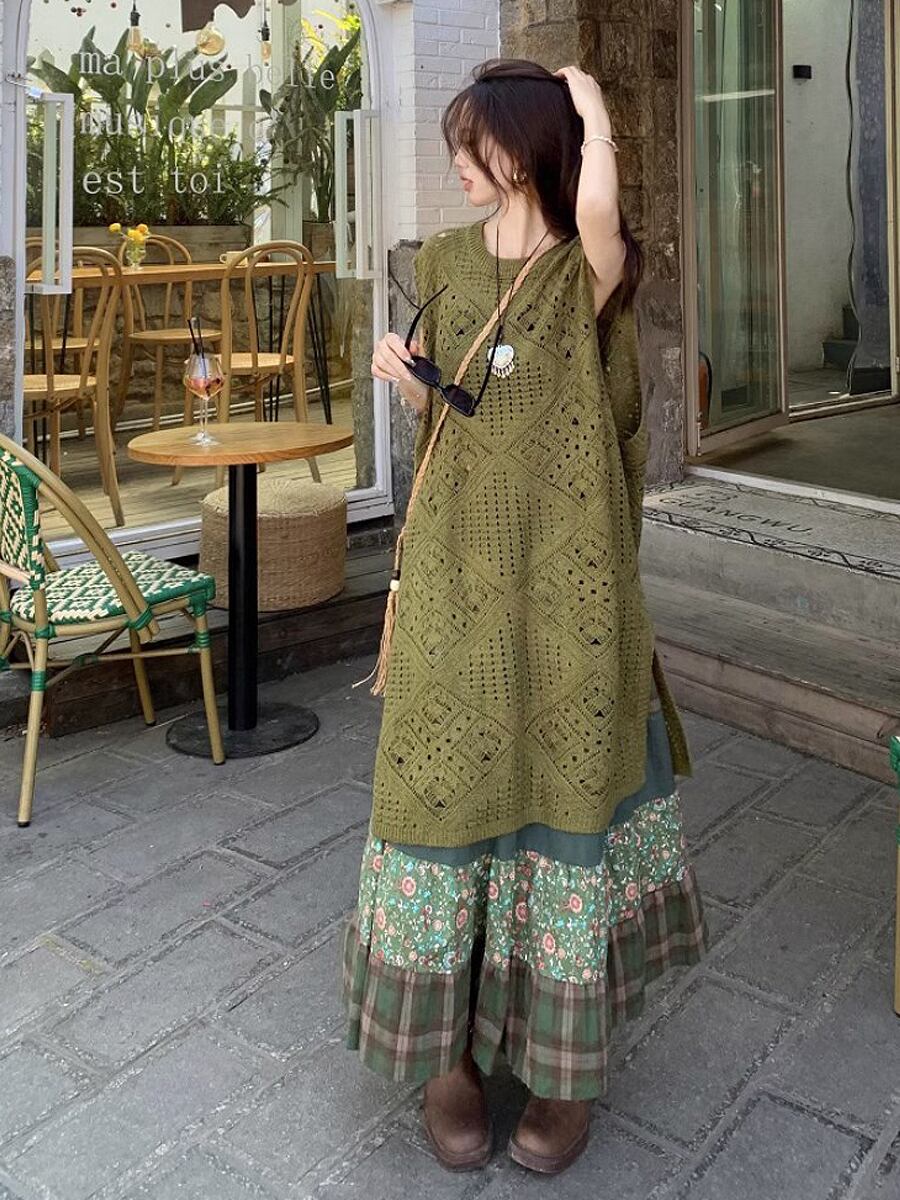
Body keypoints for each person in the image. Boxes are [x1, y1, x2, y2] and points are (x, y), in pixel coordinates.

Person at [340, 57, 709, 1175]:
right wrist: (411, 380)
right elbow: (462, 416)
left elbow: (596, 212)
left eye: (476, 144)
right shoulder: (446, 263)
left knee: (564, 800)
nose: (457, 162)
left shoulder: (585, 268)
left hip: (567, 593)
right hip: (455, 579)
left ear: (529, 149)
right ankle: (443, 1060)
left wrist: (586, 103)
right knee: (436, 794)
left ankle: (561, 1071)